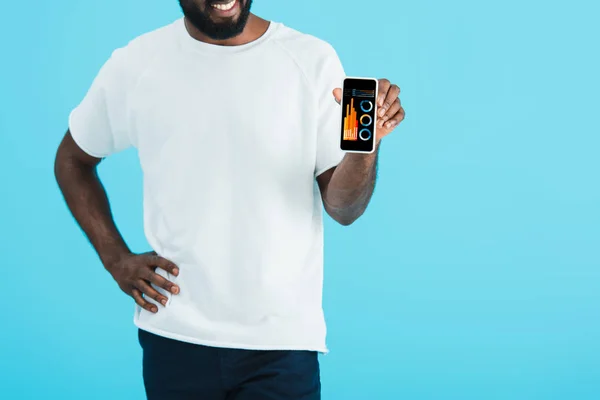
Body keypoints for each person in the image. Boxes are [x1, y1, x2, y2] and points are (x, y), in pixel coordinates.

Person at [54, 0, 405, 398]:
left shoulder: (311, 60)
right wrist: (115, 259)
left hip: (281, 345)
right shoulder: (138, 63)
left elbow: (344, 208)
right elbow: (72, 159)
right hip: (175, 336)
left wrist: (364, 149)